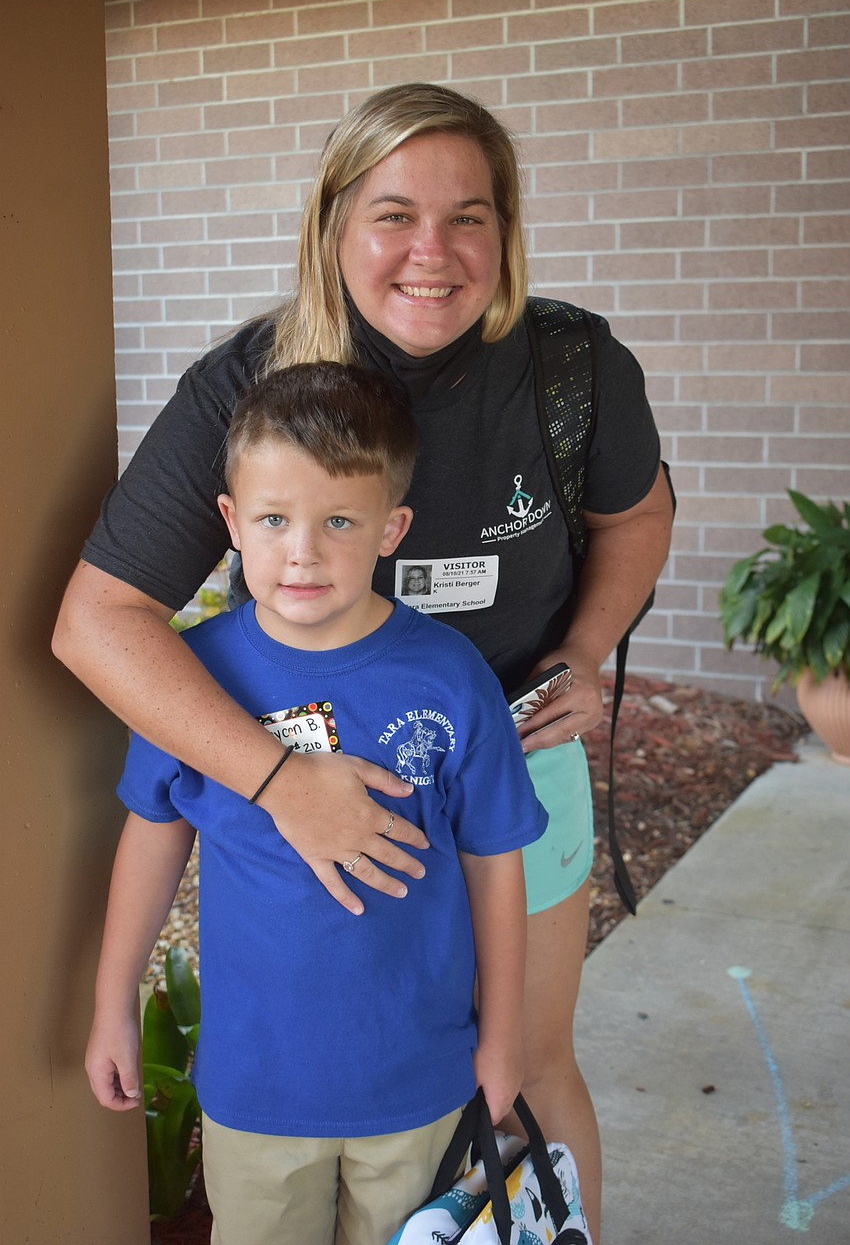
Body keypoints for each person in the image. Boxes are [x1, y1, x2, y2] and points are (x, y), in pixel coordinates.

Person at [55, 81, 674, 1242]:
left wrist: (587, 649)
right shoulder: (249, 385)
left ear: (506, 229)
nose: (430, 254)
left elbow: (636, 519)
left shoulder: (569, 366)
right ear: (333, 225)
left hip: (501, 756)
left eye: (469, 217)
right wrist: (283, 783)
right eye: (392, 214)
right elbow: (97, 621)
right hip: (295, 767)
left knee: (525, 1069)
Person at [84, 362, 547, 1245]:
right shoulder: (191, 680)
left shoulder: (452, 678)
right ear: (230, 522)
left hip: (417, 1081)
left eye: (339, 520)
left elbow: (495, 862)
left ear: (391, 528)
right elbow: (150, 838)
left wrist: (505, 1039)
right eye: (273, 519)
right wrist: (113, 1001)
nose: (303, 551)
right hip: (257, 1085)